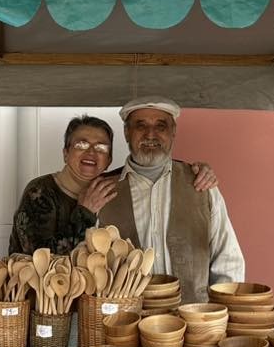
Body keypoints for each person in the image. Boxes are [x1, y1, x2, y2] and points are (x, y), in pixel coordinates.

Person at [95, 97, 245, 304]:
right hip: (126, 319)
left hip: (193, 318)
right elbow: (90, 263)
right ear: (127, 133)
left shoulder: (201, 184)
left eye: (161, 126)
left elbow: (227, 259)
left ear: (173, 132)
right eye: (140, 126)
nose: (150, 134)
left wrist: (220, 314)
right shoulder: (102, 190)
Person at [9, 114, 218, 256]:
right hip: (40, 303)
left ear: (108, 160)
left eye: (101, 147)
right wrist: (85, 212)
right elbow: (40, 260)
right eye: (81, 144)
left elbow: (154, 169)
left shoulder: (110, 187)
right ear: (65, 153)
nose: (91, 152)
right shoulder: (40, 192)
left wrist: (193, 171)